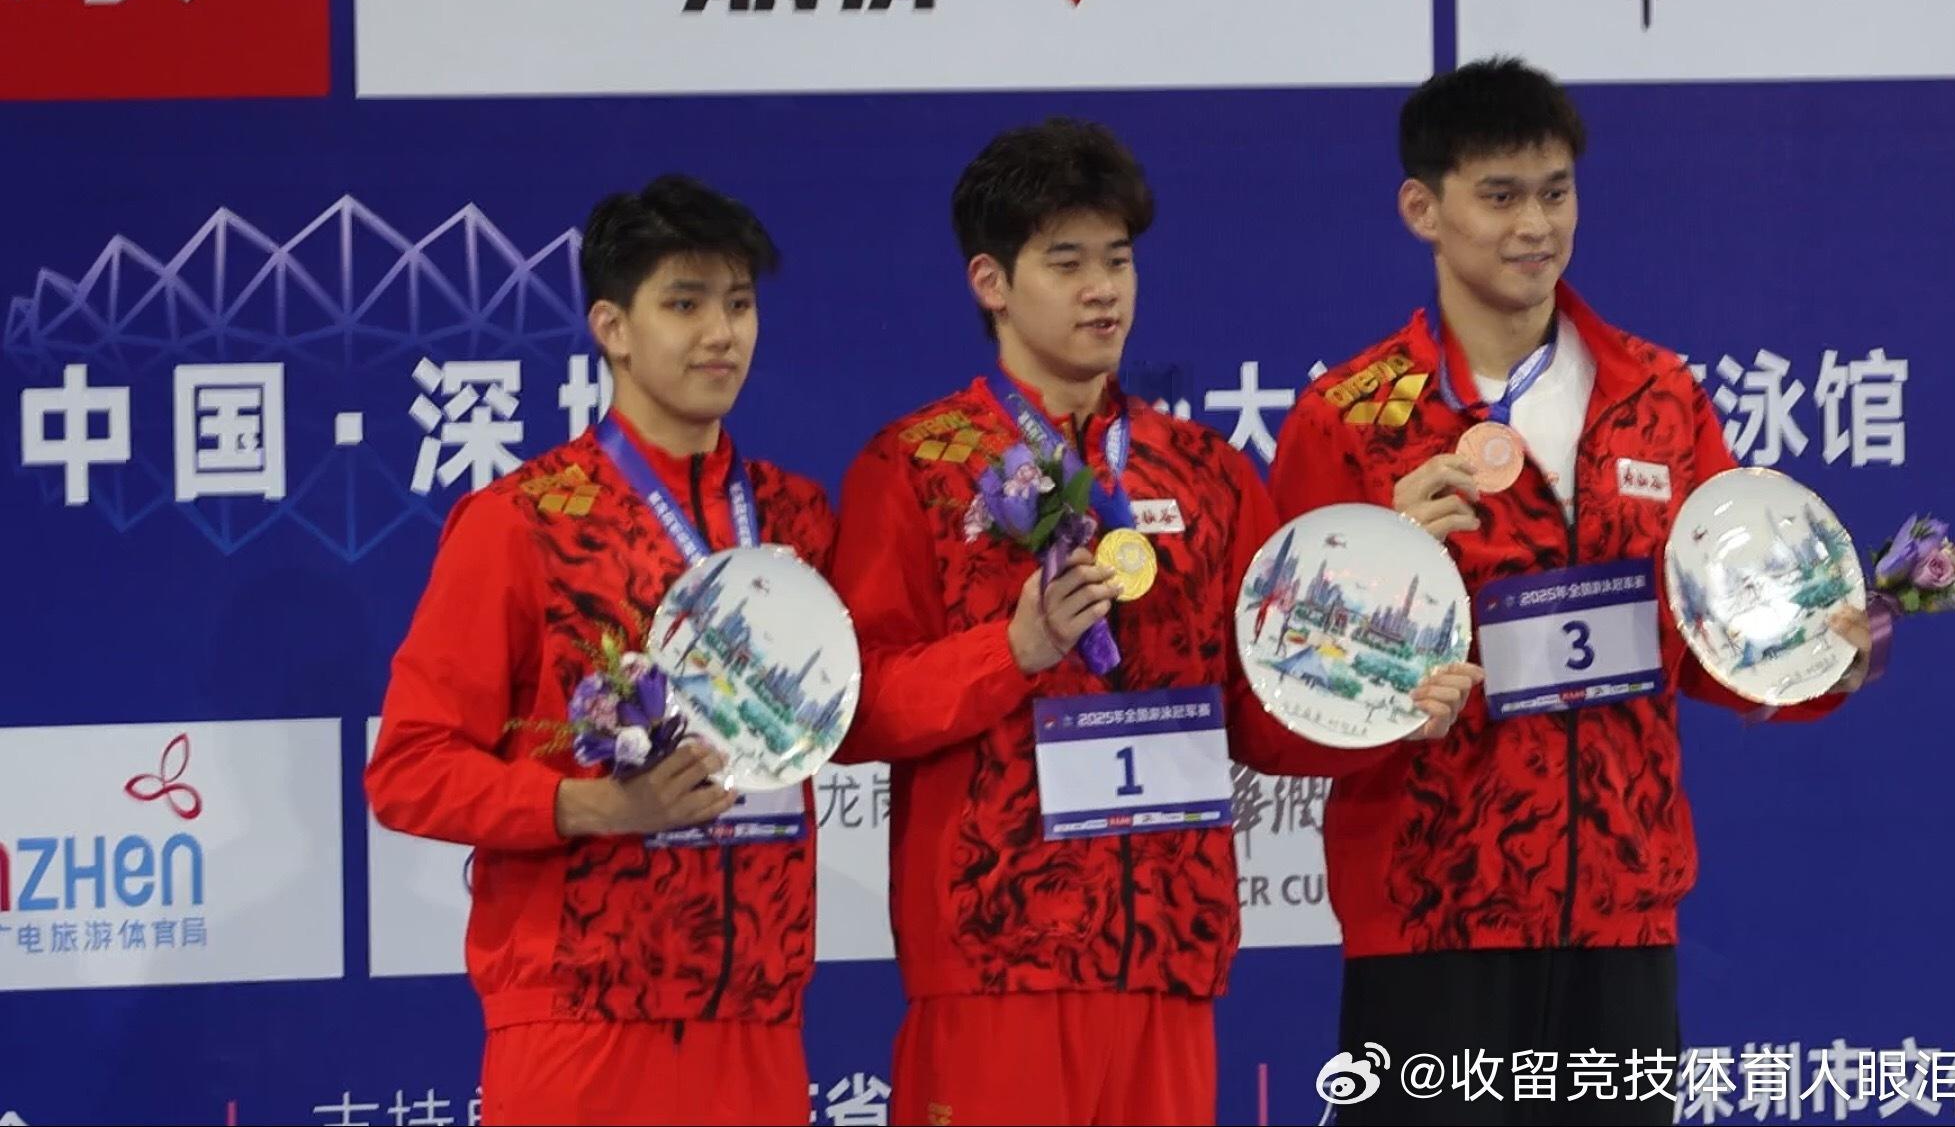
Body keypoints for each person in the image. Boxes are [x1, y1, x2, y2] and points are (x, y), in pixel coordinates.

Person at [1260, 58, 1882, 1126]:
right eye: (1500, 195)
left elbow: (1706, 640)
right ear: (1423, 209)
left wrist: (1821, 656)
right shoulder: (1352, 421)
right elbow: (1283, 698)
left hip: (1622, 910)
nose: (1535, 226)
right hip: (1431, 915)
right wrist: (1382, 563)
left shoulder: (1661, 398)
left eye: (1555, 192)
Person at [827, 117, 1299, 1126]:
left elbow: (1267, 714)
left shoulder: (1209, 473)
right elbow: (853, 706)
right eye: (1068, 261)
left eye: (1118, 260)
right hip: (996, 958)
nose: (1103, 290)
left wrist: (1382, 701)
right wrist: (1012, 651)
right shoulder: (915, 467)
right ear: (991, 281)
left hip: (1170, 952)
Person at [364, 175, 836, 1126]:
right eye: (685, 304)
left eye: (740, 304)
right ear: (612, 327)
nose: (721, 333)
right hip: (582, 1016)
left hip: (758, 1011)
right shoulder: (523, 521)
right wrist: (596, 806)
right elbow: (408, 770)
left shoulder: (795, 519)